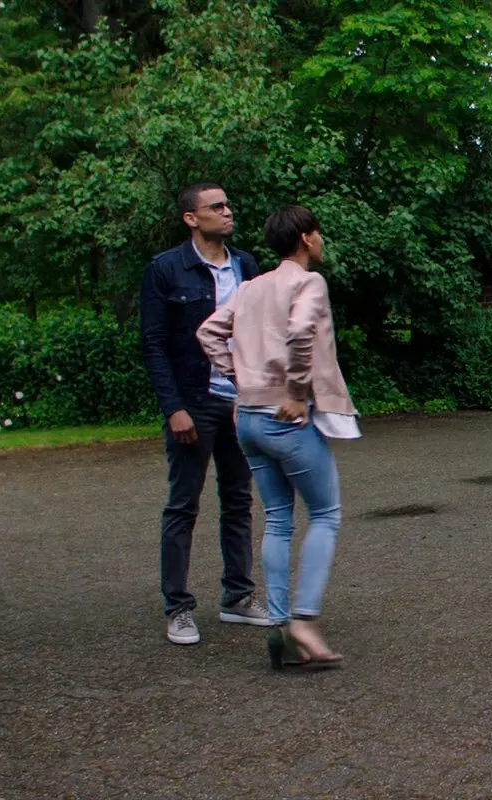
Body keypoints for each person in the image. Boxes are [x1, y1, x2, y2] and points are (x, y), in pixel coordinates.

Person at [196, 205, 356, 670]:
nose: (321, 241)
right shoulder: (308, 282)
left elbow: (208, 333)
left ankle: (282, 626)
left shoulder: (249, 287)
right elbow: (301, 331)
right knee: (325, 514)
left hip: (247, 419)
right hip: (285, 417)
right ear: (306, 238)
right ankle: (304, 621)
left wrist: (240, 382)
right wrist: (295, 391)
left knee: (278, 519)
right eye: (318, 233)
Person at [139, 183, 266, 645]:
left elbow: (256, 334)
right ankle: (178, 607)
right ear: (191, 218)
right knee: (183, 504)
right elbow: (153, 344)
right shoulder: (165, 269)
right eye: (216, 206)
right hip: (193, 400)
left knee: (238, 500)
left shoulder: (246, 265)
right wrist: (174, 407)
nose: (227, 212)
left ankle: (237, 597)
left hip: (238, 400)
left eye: (227, 204)